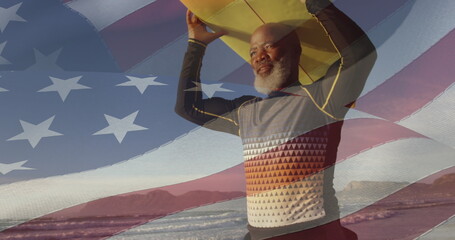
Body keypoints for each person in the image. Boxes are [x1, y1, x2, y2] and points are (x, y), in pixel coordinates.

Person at [176, 0, 376, 239]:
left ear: (295, 51)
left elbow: (360, 54)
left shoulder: (321, 99)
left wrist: (316, 4)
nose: (260, 56)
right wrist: (196, 46)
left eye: (269, 46)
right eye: (253, 51)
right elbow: (189, 107)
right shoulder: (245, 112)